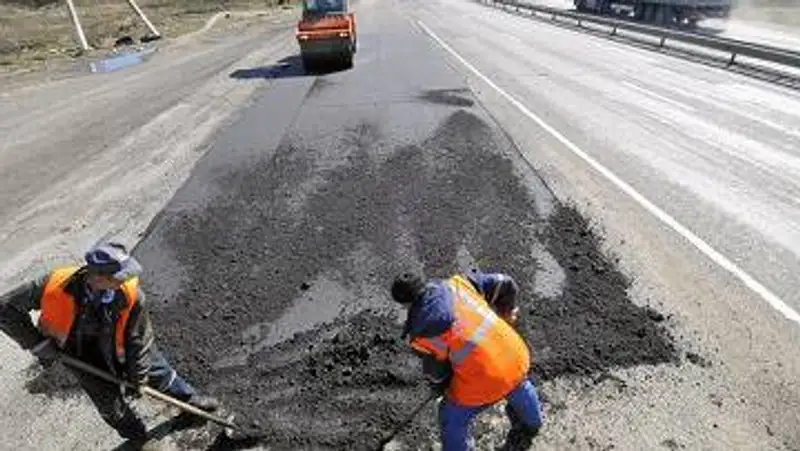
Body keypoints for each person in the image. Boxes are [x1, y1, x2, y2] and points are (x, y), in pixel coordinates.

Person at [0, 242, 220, 449]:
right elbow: (5, 308)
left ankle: (195, 405)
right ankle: (138, 437)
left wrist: (138, 378)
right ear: (95, 277)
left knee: (161, 374)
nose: (125, 281)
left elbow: (139, 341)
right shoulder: (54, 284)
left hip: (123, 345)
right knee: (110, 405)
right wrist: (37, 344)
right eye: (119, 277)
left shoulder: (131, 295)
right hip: (79, 354)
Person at [390, 268, 543, 451]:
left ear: (405, 304)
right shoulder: (459, 285)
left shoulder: (423, 334)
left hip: (483, 382)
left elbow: (437, 374)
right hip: (516, 355)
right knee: (517, 383)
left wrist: (441, 389)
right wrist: (506, 312)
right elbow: (505, 282)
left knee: (449, 413)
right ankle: (532, 423)